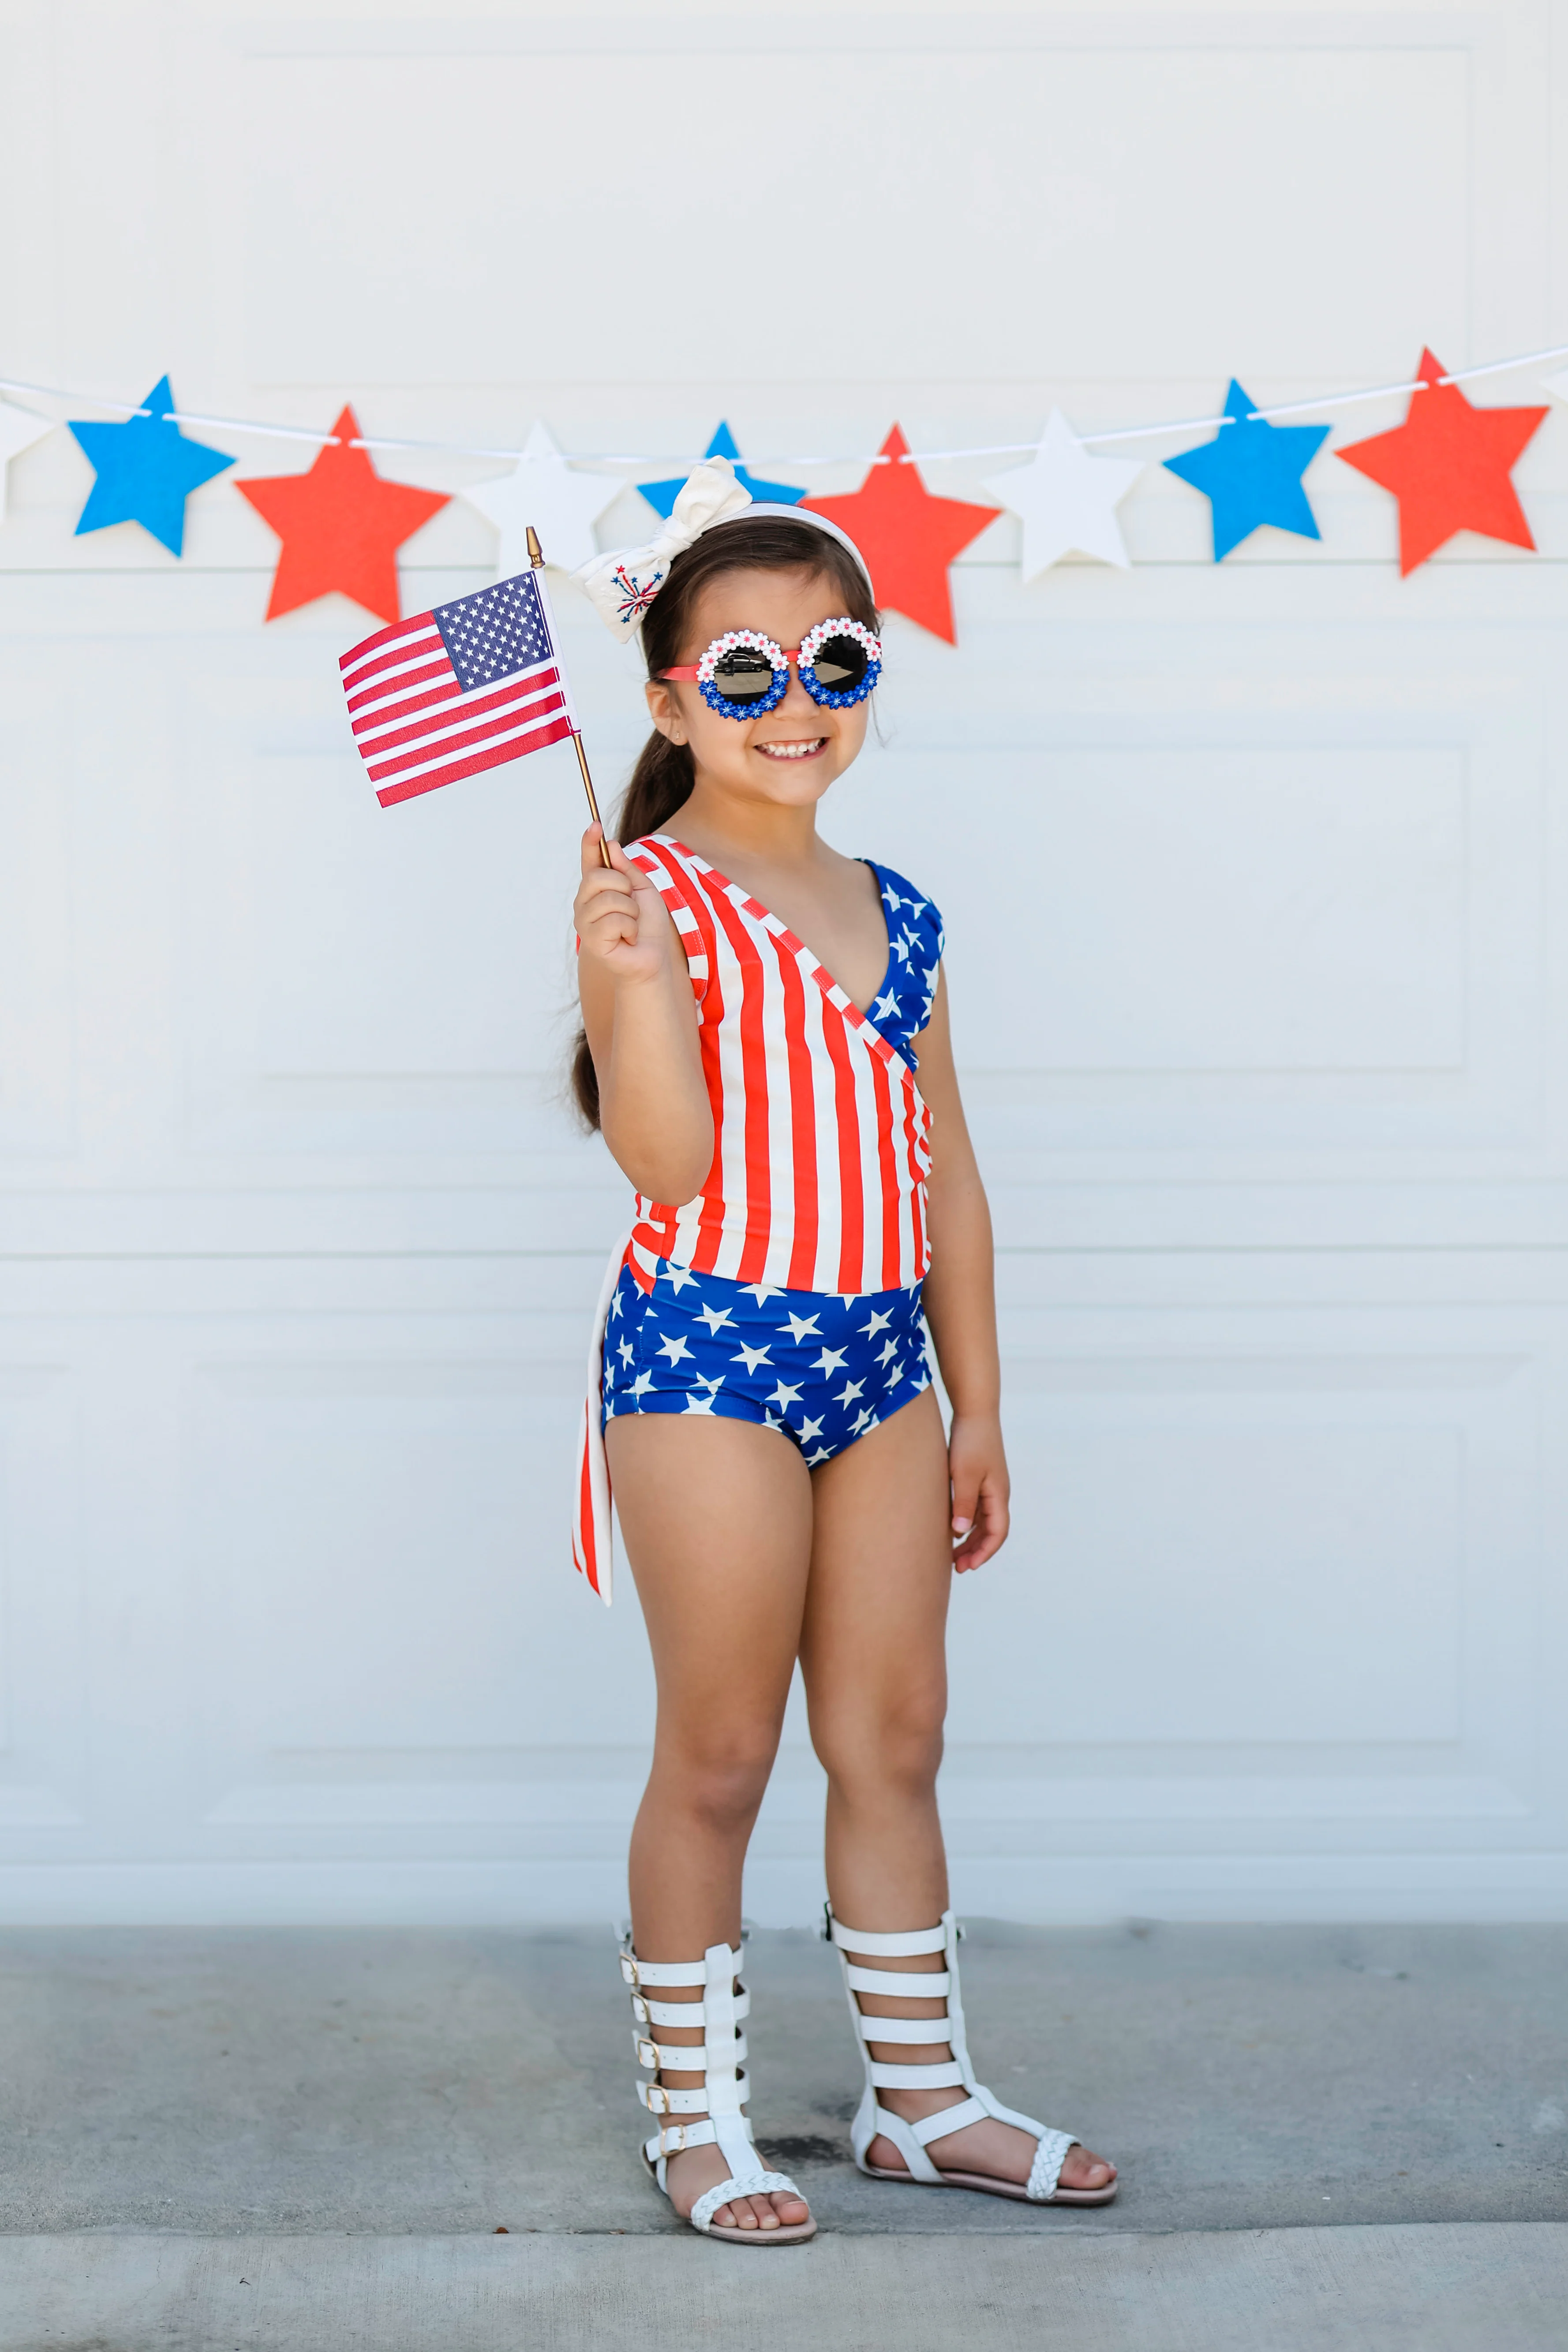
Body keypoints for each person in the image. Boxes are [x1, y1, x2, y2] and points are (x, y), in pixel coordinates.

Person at [568, 460, 1117, 2245]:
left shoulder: (905, 908)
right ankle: (699, 2123)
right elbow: (668, 1167)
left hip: (881, 1370)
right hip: (710, 1360)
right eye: (743, 670)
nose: (793, 701)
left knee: (895, 1732)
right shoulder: (653, 896)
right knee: (723, 1747)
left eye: (836, 661)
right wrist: (629, 989)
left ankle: (920, 2098)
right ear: (671, 700)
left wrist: (981, 1402)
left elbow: (943, 1168)